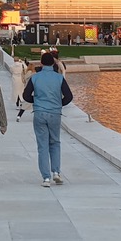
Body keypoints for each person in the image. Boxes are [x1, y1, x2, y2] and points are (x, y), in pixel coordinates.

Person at [23, 52, 74, 187]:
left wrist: (37, 101)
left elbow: (26, 96)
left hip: (40, 112)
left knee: (42, 145)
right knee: (55, 142)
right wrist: (58, 104)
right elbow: (69, 96)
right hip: (55, 113)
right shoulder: (59, 78)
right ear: (53, 63)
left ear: (41, 63)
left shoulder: (35, 78)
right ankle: (56, 172)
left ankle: (46, 178)